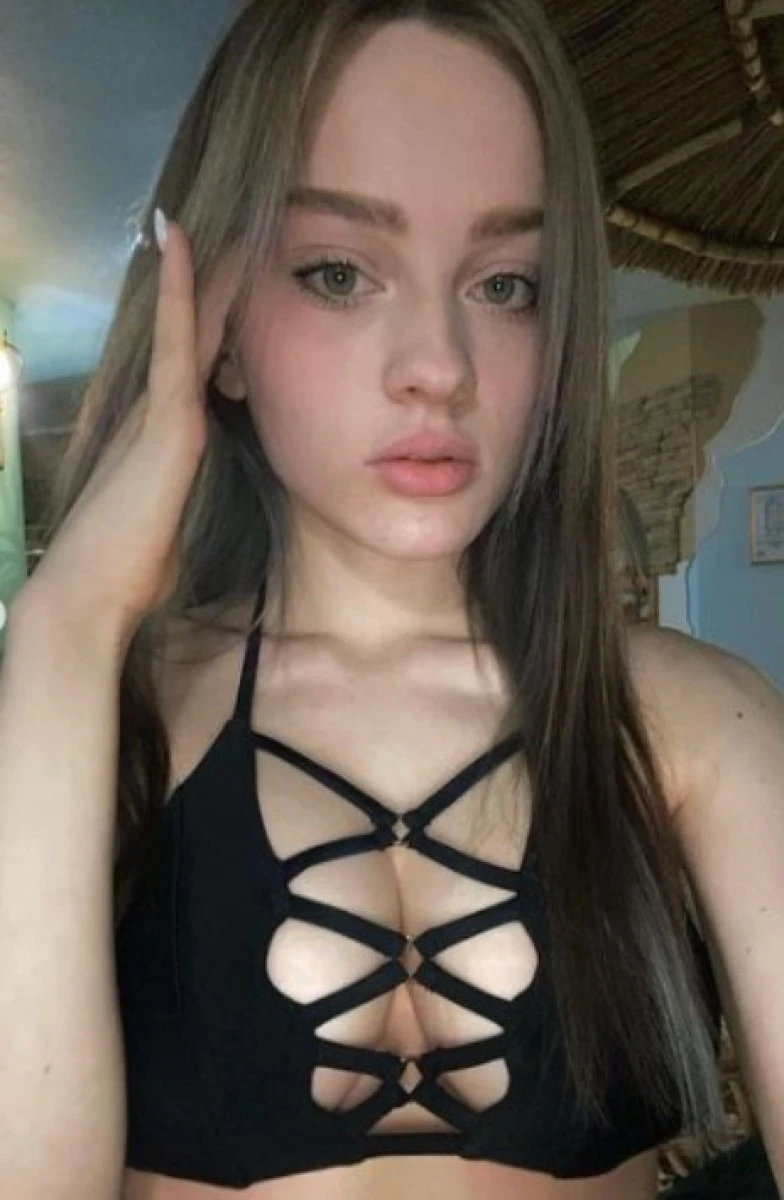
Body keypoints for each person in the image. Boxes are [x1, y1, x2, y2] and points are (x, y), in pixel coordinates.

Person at [0, 2, 782, 1198]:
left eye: (506, 285)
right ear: (216, 330)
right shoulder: (94, 719)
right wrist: (65, 623)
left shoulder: (696, 721)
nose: (439, 367)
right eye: (338, 273)